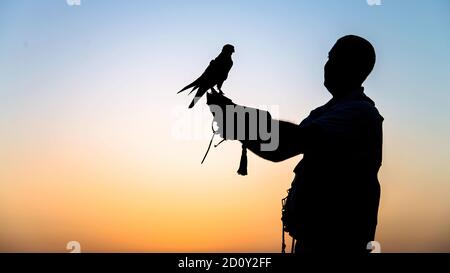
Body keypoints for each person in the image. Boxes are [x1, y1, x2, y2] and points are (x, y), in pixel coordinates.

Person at [206, 35, 384, 253]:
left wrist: (236, 119)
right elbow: (278, 148)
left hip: (338, 243)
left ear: (354, 66)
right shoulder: (324, 113)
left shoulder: (359, 113)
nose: (327, 64)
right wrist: (236, 120)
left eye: (333, 57)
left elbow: (287, 142)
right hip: (312, 241)